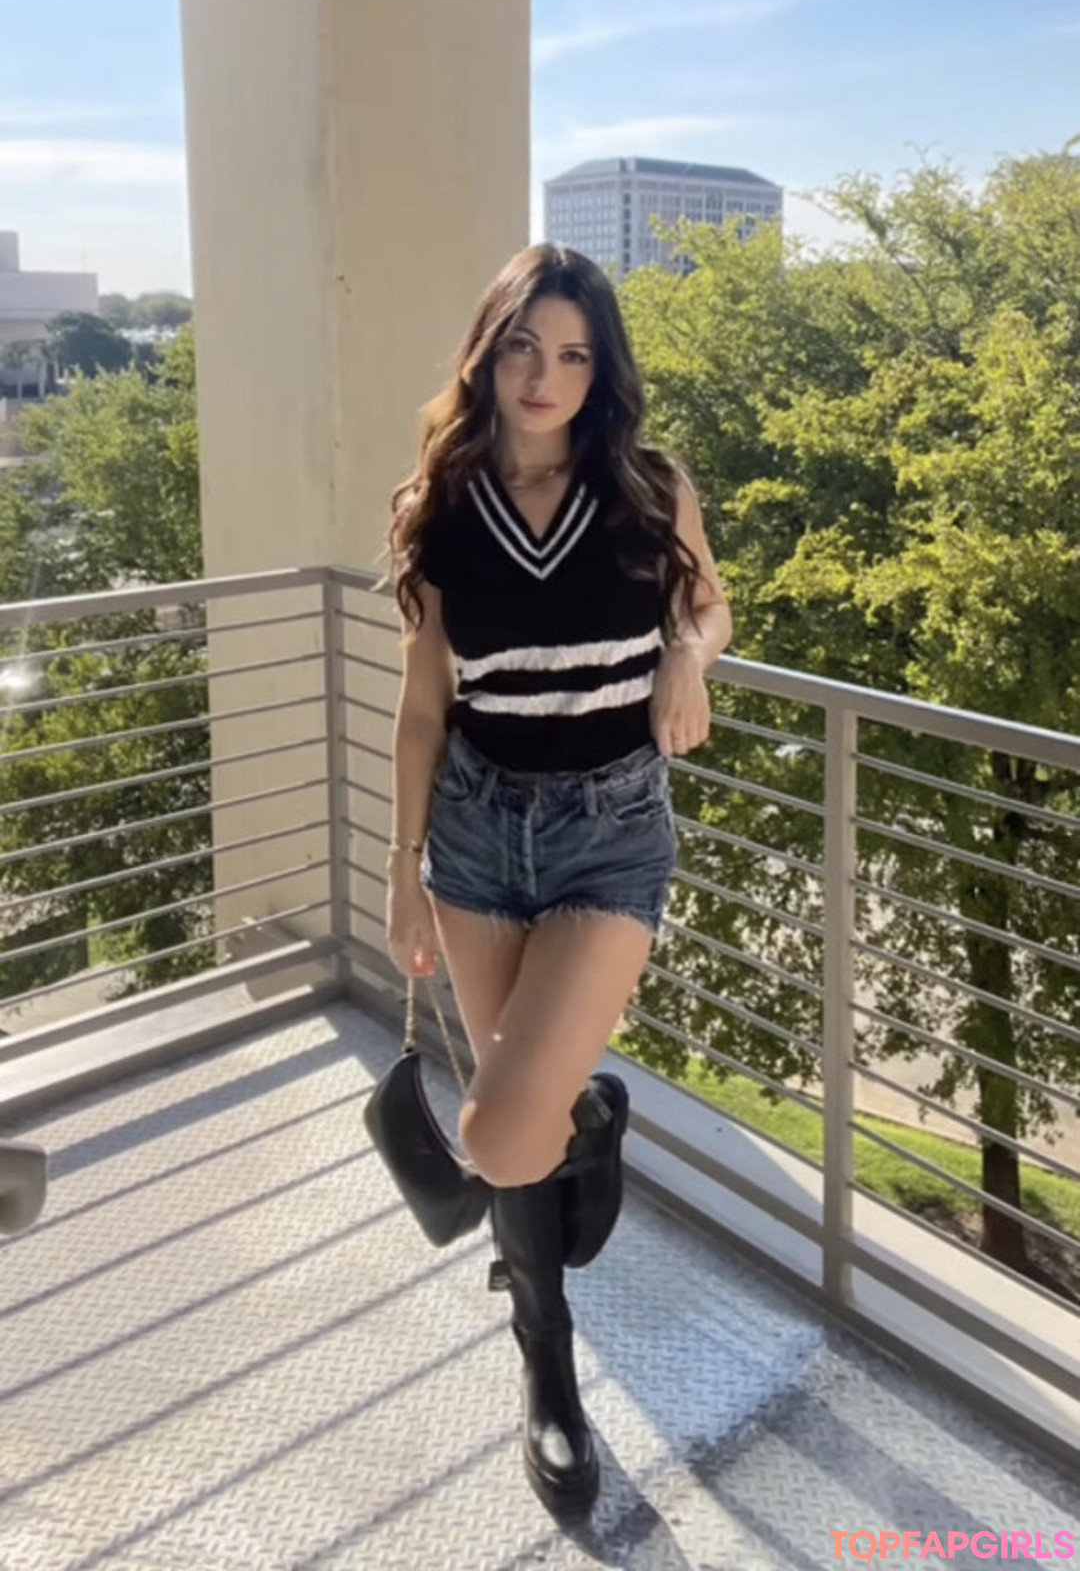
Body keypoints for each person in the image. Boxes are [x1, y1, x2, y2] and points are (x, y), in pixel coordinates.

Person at [385, 242, 731, 1520]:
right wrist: (401, 868)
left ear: (602, 369)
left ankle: (575, 1118)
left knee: (496, 1134)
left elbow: (711, 607)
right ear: (488, 354)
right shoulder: (438, 506)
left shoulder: (648, 488)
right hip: (476, 835)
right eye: (524, 346)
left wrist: (686, 654)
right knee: (516, 1126)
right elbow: (425, 709)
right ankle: (548, 1364)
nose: (545, 375)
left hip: (609, 832)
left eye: (574, 353)